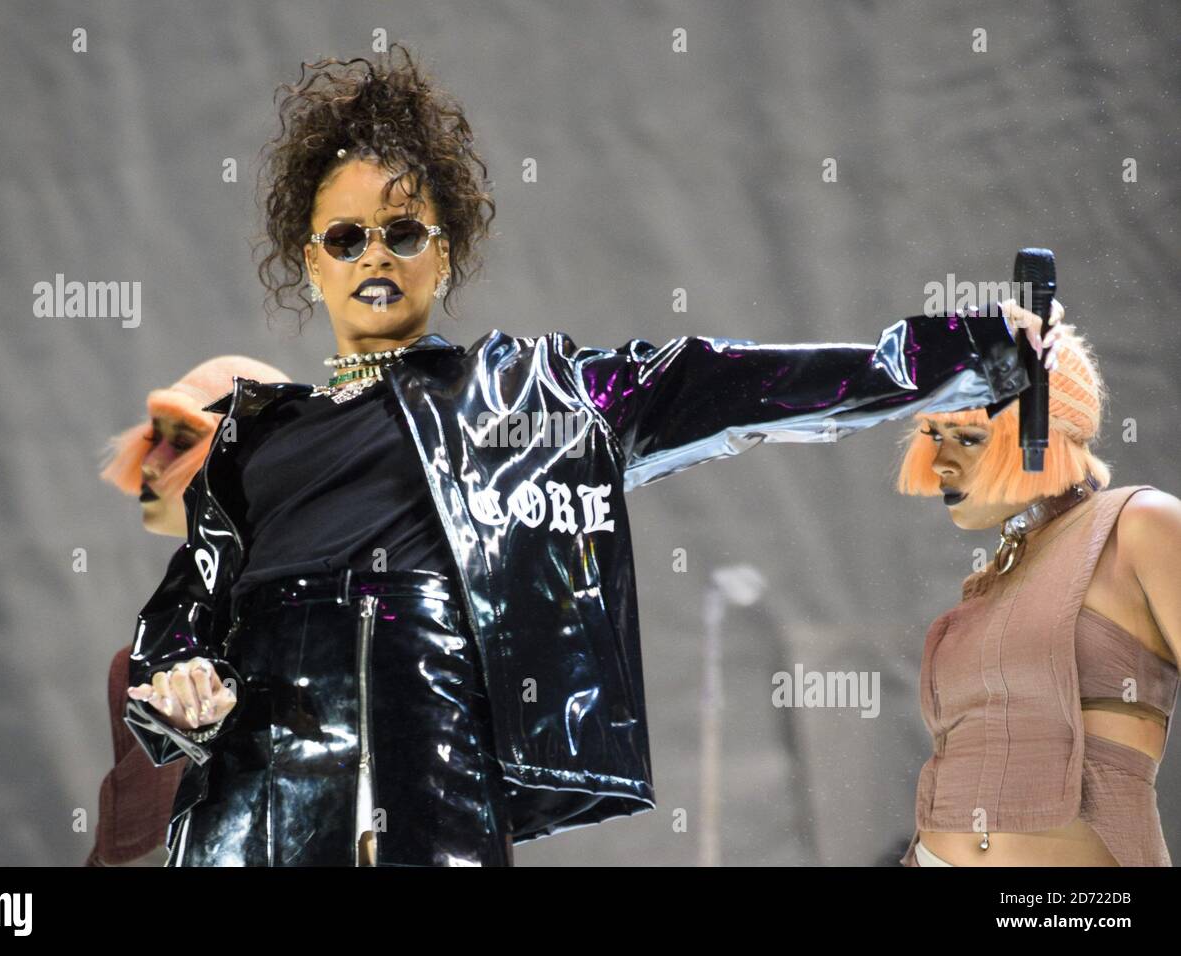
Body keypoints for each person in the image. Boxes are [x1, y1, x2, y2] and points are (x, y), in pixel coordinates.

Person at [122, 42, 1062, 867]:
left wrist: (976, 356)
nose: (377, 253)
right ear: (311, 258)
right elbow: (180, 623)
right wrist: (181, 683)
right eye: (346, 236)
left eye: (403, 231)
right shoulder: (250, 433)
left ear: (443, 252)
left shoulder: (544, 396)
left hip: (428, 795)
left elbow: (737, 384)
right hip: (251, 814)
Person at [894, 325, 1180, 866]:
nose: (941, 463)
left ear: (1041, 431)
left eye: (969, 436)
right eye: (933, 435)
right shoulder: (997, 575)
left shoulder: (1139, 525)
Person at [88, 355, 289, 866]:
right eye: (154, 437)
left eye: (181, 441)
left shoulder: (328, 643)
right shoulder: (132, 670)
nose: (152, 461)